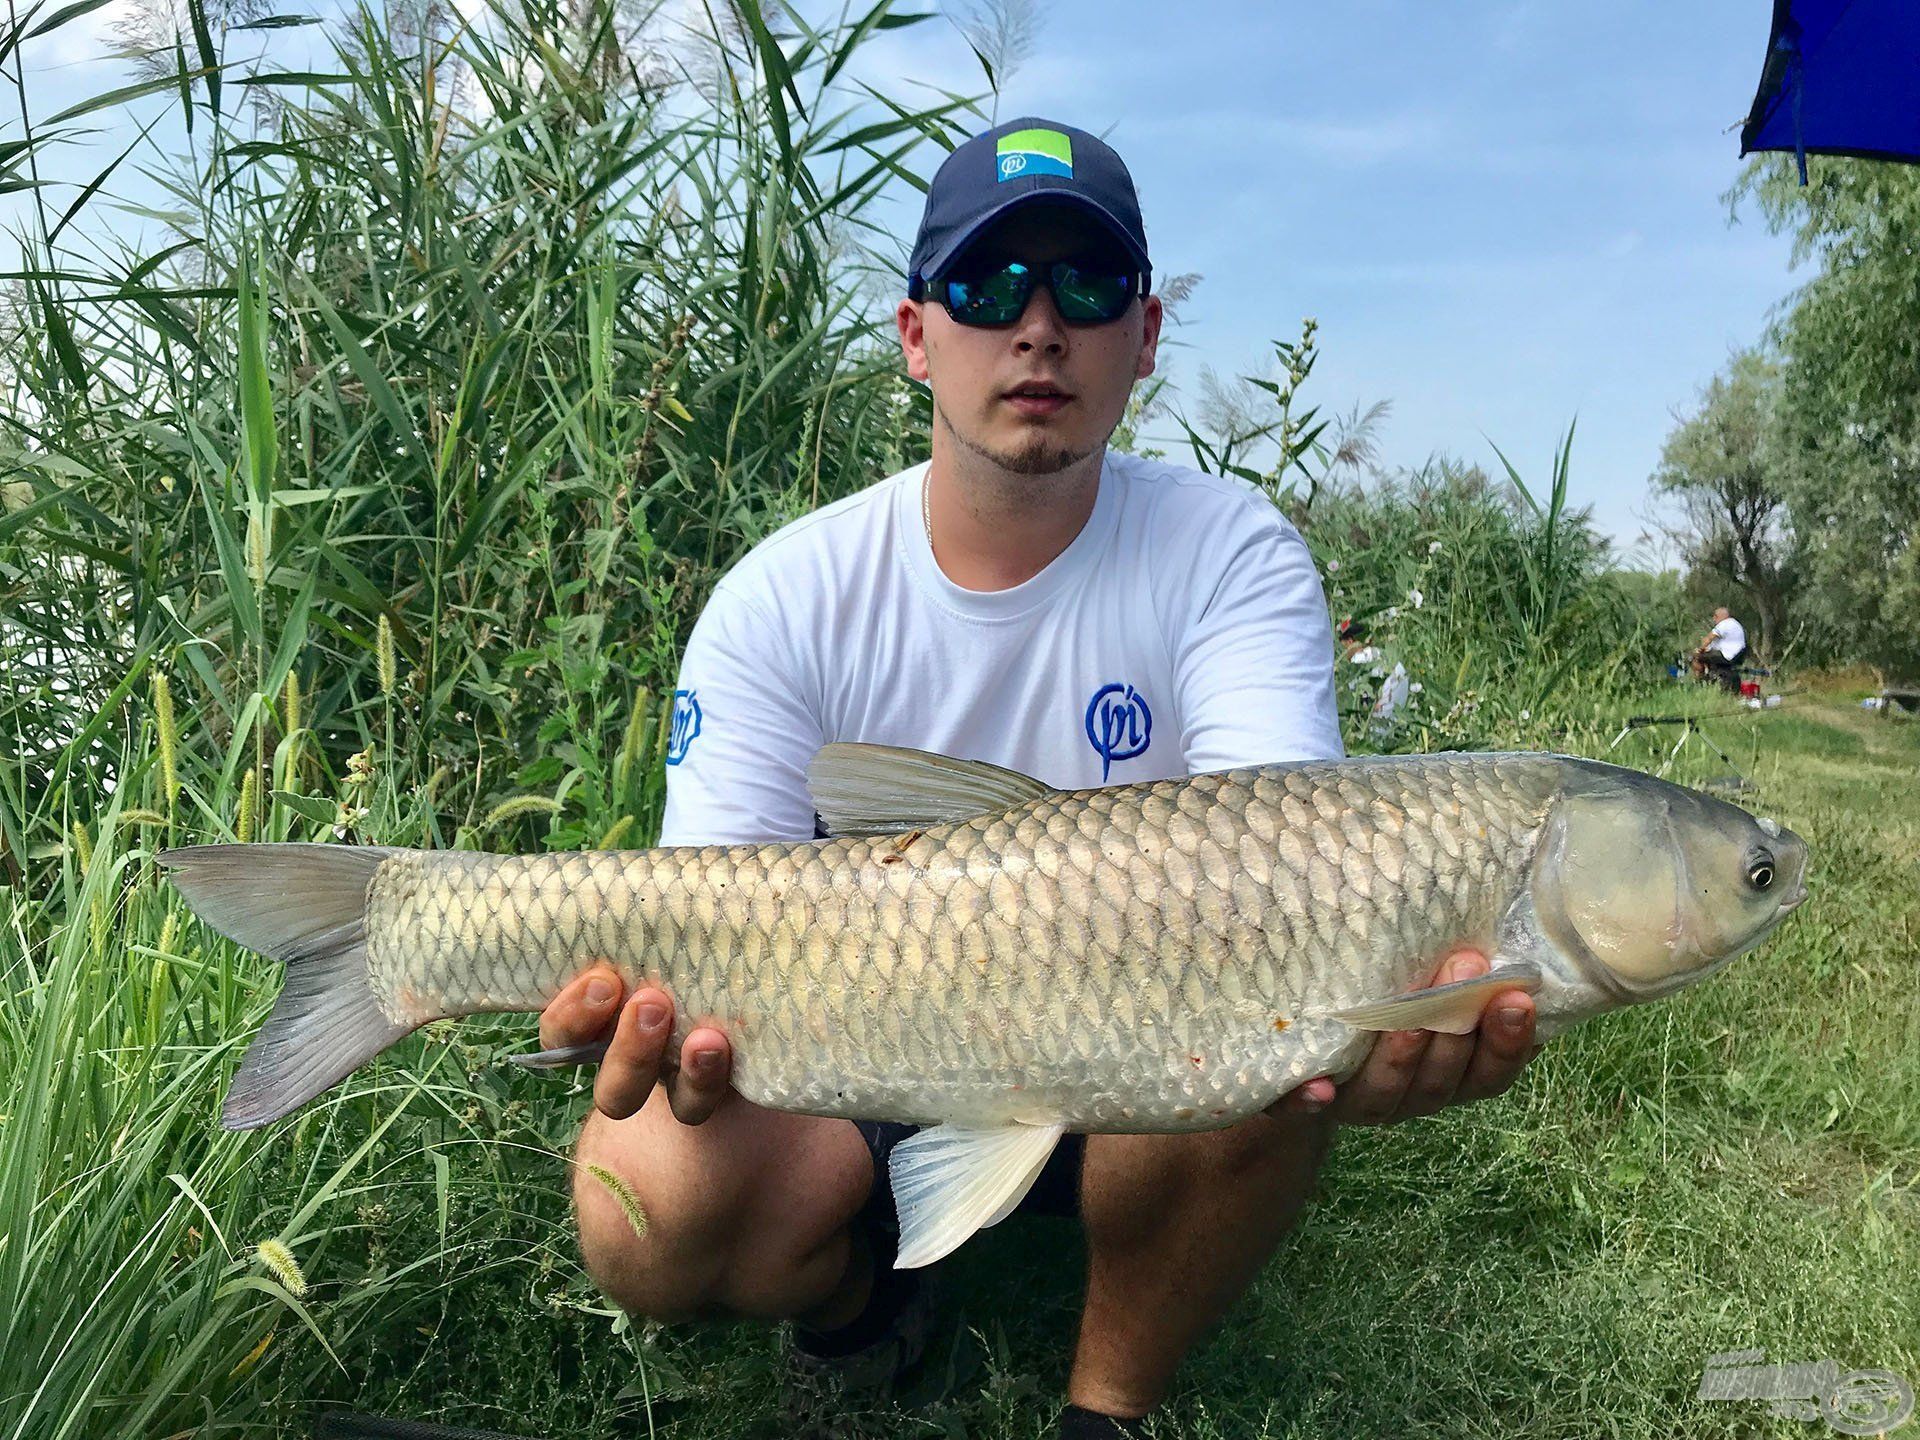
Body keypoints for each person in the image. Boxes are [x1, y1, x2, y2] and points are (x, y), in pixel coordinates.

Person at [536, 117, 1542, 1439]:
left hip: (1159, 1056)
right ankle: (862, 1307)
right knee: (649, 1207)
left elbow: (1306, 875)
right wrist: (664, 1031)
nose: (1038, 326)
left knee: (1298, 1014)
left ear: (1146, 335)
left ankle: (1103, 1406)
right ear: (916, 336)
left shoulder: (1230, 554)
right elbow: (701, 909)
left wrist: (1407, 986)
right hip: (865, 1049)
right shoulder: (785, 594)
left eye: (1086, 286)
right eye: (987, 285)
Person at [1691, 606, 1748, 691]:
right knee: (1707, 657)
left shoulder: (1725, 624)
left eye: (1715, 616)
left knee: (1695, 657)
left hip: (1728, 656)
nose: (1714, 618)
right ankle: (1710, 679)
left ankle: (1700, 683)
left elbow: (1709, 638)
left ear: (1722, 616)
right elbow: (1719, 643)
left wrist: (1700, 649)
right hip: (1736, 654)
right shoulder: (1733, 623)